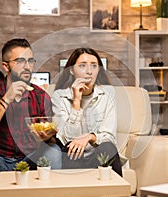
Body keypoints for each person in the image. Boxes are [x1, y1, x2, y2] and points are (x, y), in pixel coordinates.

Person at [0, 38, 62, 197]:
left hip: (29, 158)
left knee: (54, 152)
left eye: (30, 61)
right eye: (20, 61)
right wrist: (6, 99)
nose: (27, 66)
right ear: (5, 66)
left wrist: (46, 137)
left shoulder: (40, 96)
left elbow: (49, 137)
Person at [51, 47, 122, 176]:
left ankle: (117, 194)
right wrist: (76, 102)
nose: (89, 71)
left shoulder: (108, 93)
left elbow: (109, 137)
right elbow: (66, 138)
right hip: (72, 156)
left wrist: (90, 137)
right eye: (82, 66)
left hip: (98, 155)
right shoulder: (59, 96)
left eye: (94, 66)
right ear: (71, 70)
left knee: (107, 147)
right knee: (69, 148)